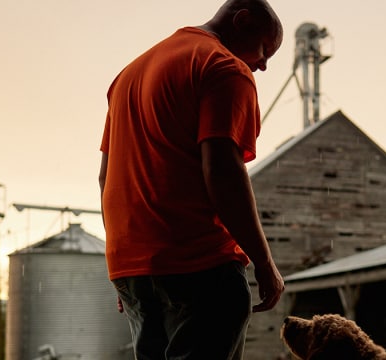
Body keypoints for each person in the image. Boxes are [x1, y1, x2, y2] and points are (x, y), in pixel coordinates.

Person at [98, 1, 284, 358]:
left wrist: (125, 266)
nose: (262, 64)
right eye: (265, 50)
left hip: (134, 272)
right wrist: (264, 263)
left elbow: (107, 177)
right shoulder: (224, 68)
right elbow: (223, 173)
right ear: (242, 20)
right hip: (200, 268)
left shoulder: (128, 75)